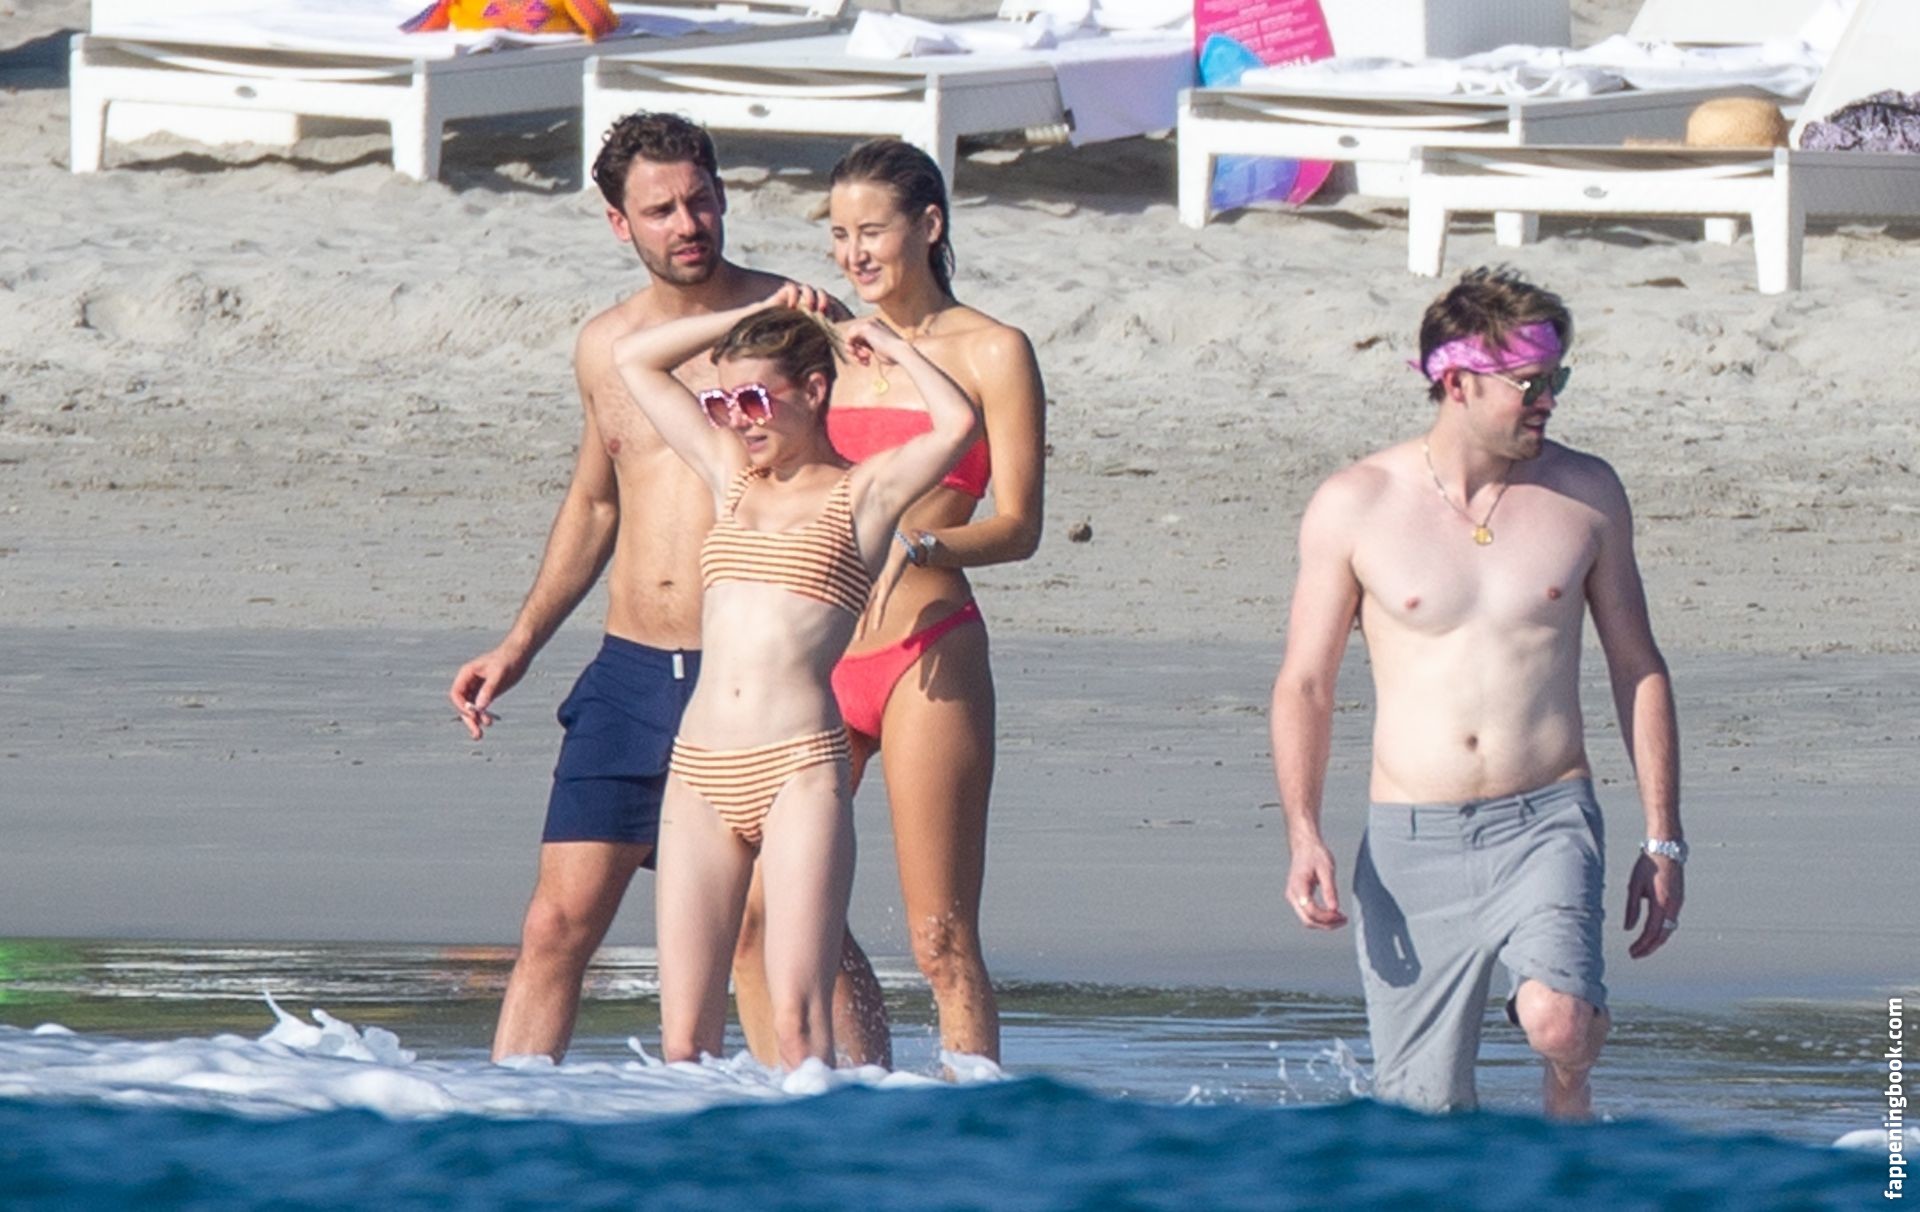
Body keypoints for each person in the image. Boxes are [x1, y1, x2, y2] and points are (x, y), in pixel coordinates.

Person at [446, 111, 881, 1064]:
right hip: (633, 670)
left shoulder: (794, 327)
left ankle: (852, 1113)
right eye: (660, 210)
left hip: (758, 681)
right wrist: (519, 644)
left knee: (777, 935)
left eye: (700, 201)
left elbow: (864, 484)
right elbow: (596, 502)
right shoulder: (606, 345)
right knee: (556, 923)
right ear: (619, 223)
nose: (687, 224)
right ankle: (510, 1125)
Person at [1269, 267, 1685, 1118]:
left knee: (1560, 1022)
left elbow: (1638, 666)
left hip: (1547, 818)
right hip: (1411, 840)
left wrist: (1663, 838)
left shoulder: (1586, 495)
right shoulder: (1356, 504)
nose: (1549, 401)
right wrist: (1304, 833)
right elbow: (1306, 683)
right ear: (1457, 382)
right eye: (1531, 384)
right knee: (1424, 1119)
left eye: (1557, 380)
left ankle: (1570, 1094)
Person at [730, 139, 1046, 1064]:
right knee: (759, 916)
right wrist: (770, 325)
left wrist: (917, 544)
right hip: (818, 658)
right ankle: (837, 1101)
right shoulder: (826, 348)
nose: (852, 253)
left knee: (940, 939)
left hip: (925, 652)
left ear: (929, 225)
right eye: (838, 234)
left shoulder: (993, 350)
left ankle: (970, 1121)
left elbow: (1021, 525)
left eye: (871, 231)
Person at [611, 291, 981, 1067]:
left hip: (797, 768)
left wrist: (884, 344)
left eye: (753, 400)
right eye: (721, 403)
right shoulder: (730, 476)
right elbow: (635, 360)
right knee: (683, 1043)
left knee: (799, 1027)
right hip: (699, 769)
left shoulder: (865, 492)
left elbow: (957, 425)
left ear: (814, 391)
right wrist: (751, 311)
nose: (737, 421)